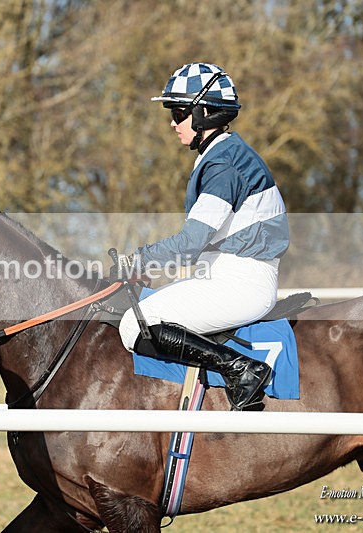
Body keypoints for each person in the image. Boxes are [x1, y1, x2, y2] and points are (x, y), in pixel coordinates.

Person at [117, 62, 289, 410]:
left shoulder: (223, 165)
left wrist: (138, 260)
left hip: (240, 284)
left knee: (134, 325)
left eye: (180, 113)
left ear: (205, 113)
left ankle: (240, 369)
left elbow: (191, 242)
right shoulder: (219, 155)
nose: (172, 122)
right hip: (225, 276)